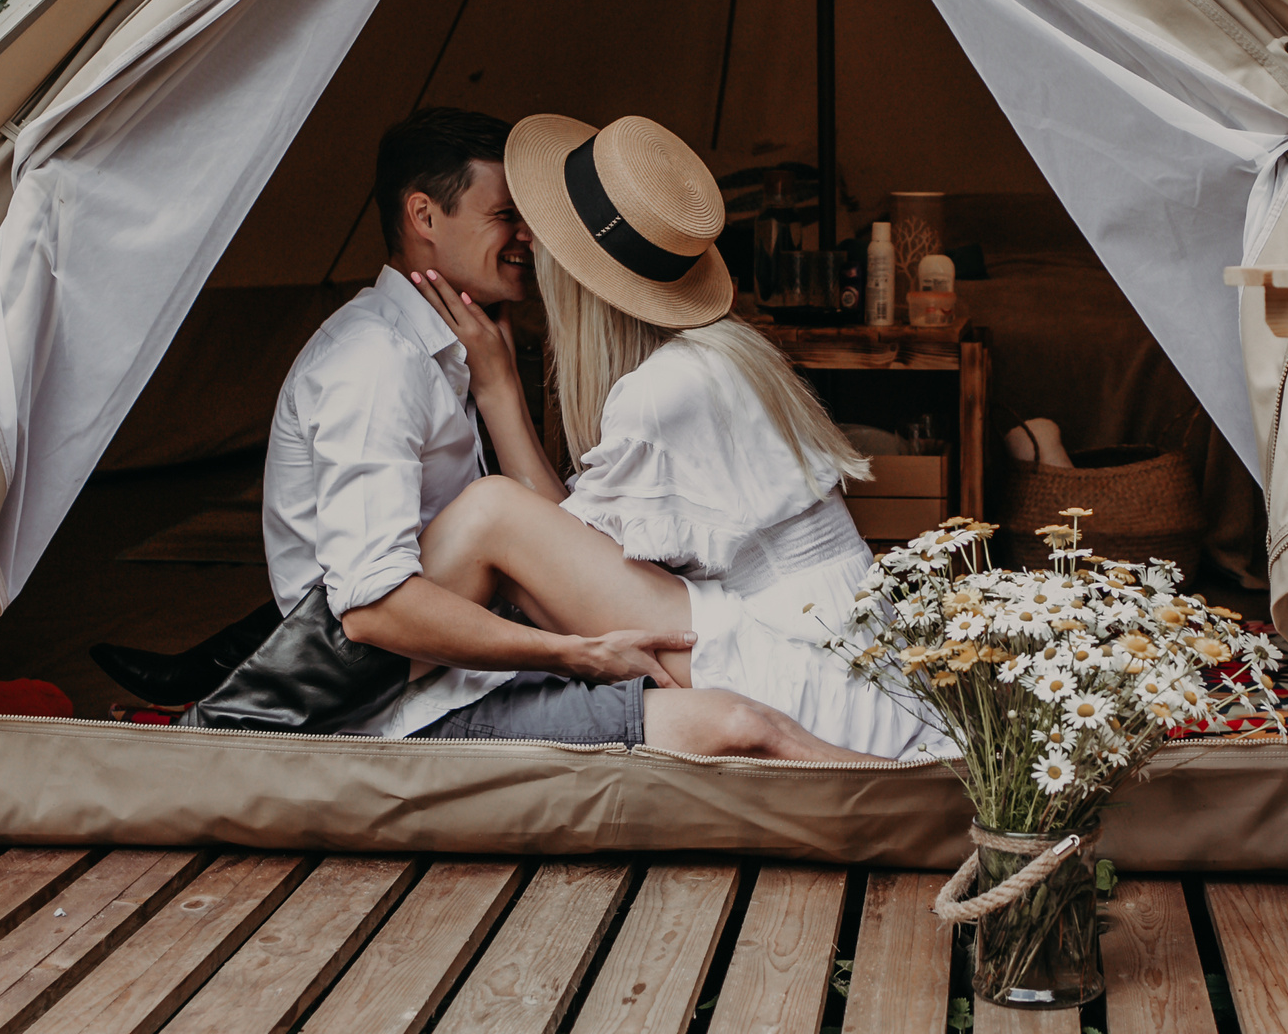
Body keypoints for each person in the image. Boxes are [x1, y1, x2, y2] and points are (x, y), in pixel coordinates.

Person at [185, 106, 862, 762]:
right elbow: (373, 609)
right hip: (404, 706)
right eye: (506, 216)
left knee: (724, 693)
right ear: (424, 216)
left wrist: (498, 388)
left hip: (483, 663)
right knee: (731, 721)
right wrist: (570, 655)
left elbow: (564, 543)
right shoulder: (375, 364)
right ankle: (924, 807)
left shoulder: (457, 349)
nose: (529, 239)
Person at [350, 113, 942, 762]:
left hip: (810, 669)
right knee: (495, 520)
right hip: (827, 645)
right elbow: (569, 552)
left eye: (536, 233)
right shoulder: (716, 355)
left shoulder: (668, 389)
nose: (525, 243)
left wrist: (497, 393)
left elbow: (551, 558)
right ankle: (364, 688)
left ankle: (339, 704)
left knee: (489, 514)